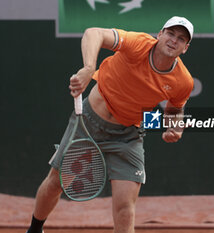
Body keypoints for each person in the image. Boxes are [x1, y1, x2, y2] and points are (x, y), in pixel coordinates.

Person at [26, 16, 194, 233]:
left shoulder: (183, 81)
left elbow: (174, 109)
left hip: (128, 136)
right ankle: (34, 230)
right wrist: (88, 68)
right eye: (171, 34)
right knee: (55, 183)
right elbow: (93, 32)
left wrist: (175, 127)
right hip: (88, 123)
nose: (174, 40)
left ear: (185, 48)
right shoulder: (138, 44)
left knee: (125, 209)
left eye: (181, 39)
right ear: (160, 34)